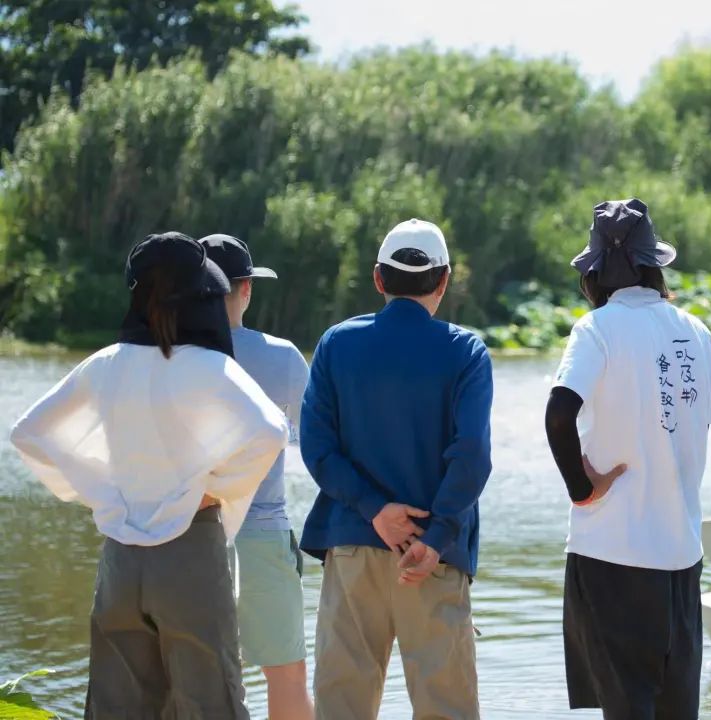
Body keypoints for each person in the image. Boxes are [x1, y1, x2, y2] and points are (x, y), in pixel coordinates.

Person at [9, 232, 288, 718]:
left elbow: (28, 433)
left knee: (117, 708)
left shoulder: (106, 364)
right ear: (202, 293)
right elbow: (270, 431)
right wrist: (210, 489)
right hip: (190, 556)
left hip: (119, 559)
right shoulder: (210, 367)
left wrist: (103, 491)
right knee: (212, 704)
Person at [299, 218, 493, 720]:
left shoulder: (336, 344)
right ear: (444, 280)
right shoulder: (466, 352)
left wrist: (373, 509)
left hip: (351, 546)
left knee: (342, 706)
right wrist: (439, 533)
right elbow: (471, 454)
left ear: (379, 279)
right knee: (445, 707)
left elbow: (318, 446)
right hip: (432, 555)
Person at [545, 198, 711, 719]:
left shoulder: (596, 329)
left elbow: (559, 415)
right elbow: (695, 427)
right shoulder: (697, 333)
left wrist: (583, 487)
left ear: (595, 271)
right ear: (654, 263)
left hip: (610, 556)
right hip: (680, 557)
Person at [200, 233, 314, 720]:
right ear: (246, 289)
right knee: (286, 674)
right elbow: (319, 446)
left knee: (201, 673)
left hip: (190, 533)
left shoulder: (172, 356)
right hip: (264, 532)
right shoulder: (283, 356)